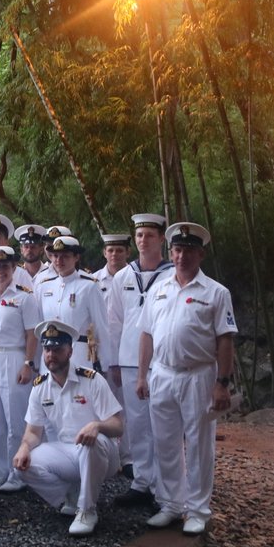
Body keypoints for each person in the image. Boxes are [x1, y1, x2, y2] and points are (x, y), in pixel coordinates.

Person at [136, 222, 237, 536]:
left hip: (198, 377)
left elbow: (225, 340)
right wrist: (142, 374)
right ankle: (171, 504)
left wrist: (223, 383)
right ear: (171, 252)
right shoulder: (159, 288)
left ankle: (197, 510)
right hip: (163, 374)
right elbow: (146, 334)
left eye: (189, 250)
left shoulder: (216, 292)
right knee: (164, 443)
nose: (181, 256)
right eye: (177, 250)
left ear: (200, 254)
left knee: (198, 445)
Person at [14, 320, 124, 536]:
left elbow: (118, 426)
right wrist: (24, 448)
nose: (50, 355)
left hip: (102, 454)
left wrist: (97, 425)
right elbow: (33, 432)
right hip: (66, 450)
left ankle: (87, 510)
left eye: (57, 349)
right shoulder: (39, 387)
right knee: (22, 467)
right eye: (47, 349)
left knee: (89, 444)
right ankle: (73, 495)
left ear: (70, 351)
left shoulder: (92, 380)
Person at [110, 213, 173, 508]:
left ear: (161, 239)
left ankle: (166, 485)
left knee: (163, 424)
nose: (143, 240)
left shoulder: (173, 275)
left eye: (149, 235)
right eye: (139, 236)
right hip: (129, 360)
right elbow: (115, 322)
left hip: (162, 362)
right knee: (136, 425)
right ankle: (142, 481)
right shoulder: (123, 276)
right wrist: (115, 362)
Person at [0, 245, 40, 492]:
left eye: (5, 266)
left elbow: (32, 333)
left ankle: (17, 474)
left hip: (13, 358)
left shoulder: (25, 297)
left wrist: (28, 363)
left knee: (15, 420)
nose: (0, 271)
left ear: (14, 268)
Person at [36, 236, 116, 377]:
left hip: (78, 355)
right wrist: (36, 362)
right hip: (50, 357)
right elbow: (39, 325)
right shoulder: (44, 286)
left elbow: (101, 326)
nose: (59, 261)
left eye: (65, 256)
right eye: (55, 256)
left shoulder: (89, 286)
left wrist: (104, 364)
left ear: (76, 257)